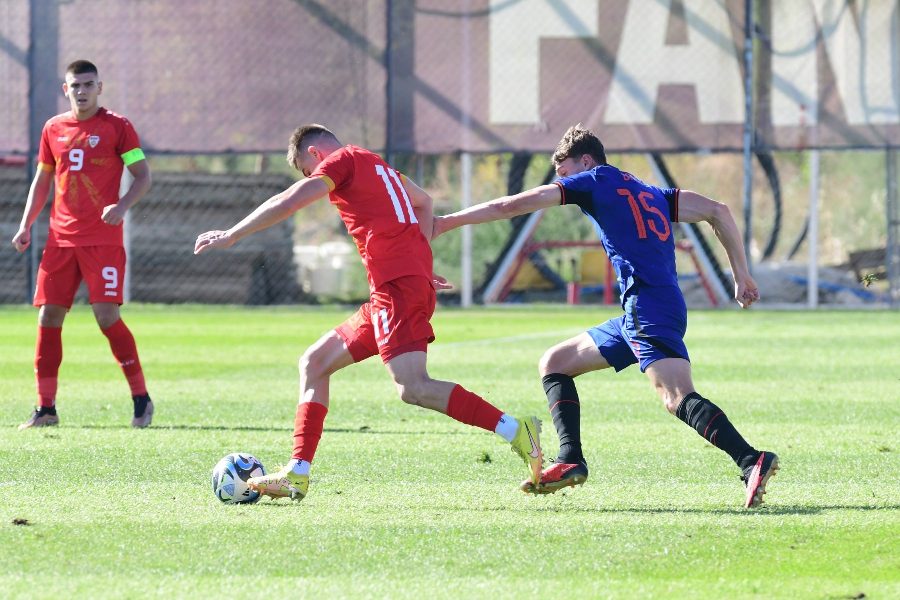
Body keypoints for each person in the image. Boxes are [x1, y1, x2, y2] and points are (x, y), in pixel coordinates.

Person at [432, 124, 778, 509]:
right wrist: (741, 275)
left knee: (675, 396)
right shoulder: (652, 192)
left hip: (648, 307)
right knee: (556, 363)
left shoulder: (593, 181)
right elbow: (718, 211)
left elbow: (508, 206)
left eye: (564, 173)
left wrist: (446, 222)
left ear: (586, 161)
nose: (562, 182)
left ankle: (751, 459)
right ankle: (570, 459)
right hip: (647, 308)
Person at [193, 124, 542, 502]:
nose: (313, 180)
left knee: (413, 387)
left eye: (309, 172)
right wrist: (417, 263)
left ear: (315, 155)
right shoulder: (377, 164)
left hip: (397, 290)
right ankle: (298, 473)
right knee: (314, 363)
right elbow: (423, 202)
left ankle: (515, 429)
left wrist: (233, 234)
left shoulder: (340, 161)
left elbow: (291, 200)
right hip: (393, 290)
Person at [11, 60, 154, 430]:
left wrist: (121, 206)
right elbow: (42, 181)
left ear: (99, 87)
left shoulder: (118, 127)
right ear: (66, 89)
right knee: (48, 317)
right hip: (60, 241)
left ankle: (141, 399)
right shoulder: (52, 129)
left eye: (89, 84)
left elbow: (142, 176)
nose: (82, 91)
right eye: (75, 85)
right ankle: (45, 409)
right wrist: (26, 224)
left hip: (102, 240)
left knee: (106, 316)